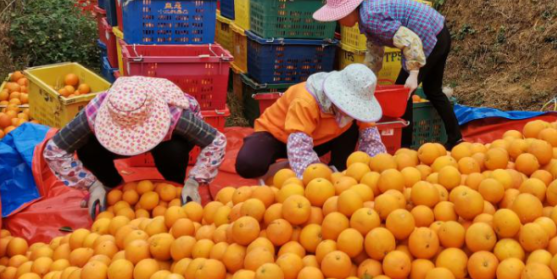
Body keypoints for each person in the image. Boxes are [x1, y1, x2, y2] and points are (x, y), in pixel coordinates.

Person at [44, 75, 227, 217]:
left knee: (172, 151)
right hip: (113, 141)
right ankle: (111, 185)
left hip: (168, 140)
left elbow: (215, 141)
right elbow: (55, 150)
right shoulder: (95, 112)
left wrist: (194, 182)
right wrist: (92, 185)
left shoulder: (174, 114)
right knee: (87, 148)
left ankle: (175, 187)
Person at [313, 0, 462, 149]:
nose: (337, 21)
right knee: (432, 90)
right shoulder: (366, 16)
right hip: (438, 33)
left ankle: (403, 147)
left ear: (349, 10)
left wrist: (413, 73)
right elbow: (375, 52)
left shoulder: (370, 18)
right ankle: (456, 139)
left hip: (428, 38)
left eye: (338, 16)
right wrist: (366, 79)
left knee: (402, 93)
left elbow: (410, 40)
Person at [235, 64, 386, 180]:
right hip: (278, 136)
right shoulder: (306, 101)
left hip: (317, 141)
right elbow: (299, 144)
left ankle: (339, 170)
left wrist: (379, 171)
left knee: (354, 129)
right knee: (248, 164)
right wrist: (316, 180)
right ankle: (285, 167)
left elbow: (371, 139)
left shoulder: (358, 109)